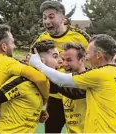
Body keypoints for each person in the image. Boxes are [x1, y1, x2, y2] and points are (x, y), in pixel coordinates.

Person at [29, 34, 116, 133]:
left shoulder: (99, 75)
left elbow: (61, 81)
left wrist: (37, 63)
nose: (87, 58)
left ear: (98, 55)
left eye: (88, 53)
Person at [0, 40, 62, 133]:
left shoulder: (42, 84)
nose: (60, 61)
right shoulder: (23, 81)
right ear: (41, 61)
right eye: (55, 56)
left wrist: (37, 113)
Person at [32, 1, 90, 132]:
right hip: (55, 96)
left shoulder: (80, 36)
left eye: (51, 17)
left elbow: (94, 61)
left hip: (77, 93)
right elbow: (33, 66)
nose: (47, 21)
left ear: (62, 18)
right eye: (44, 17)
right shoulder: (41, 39)